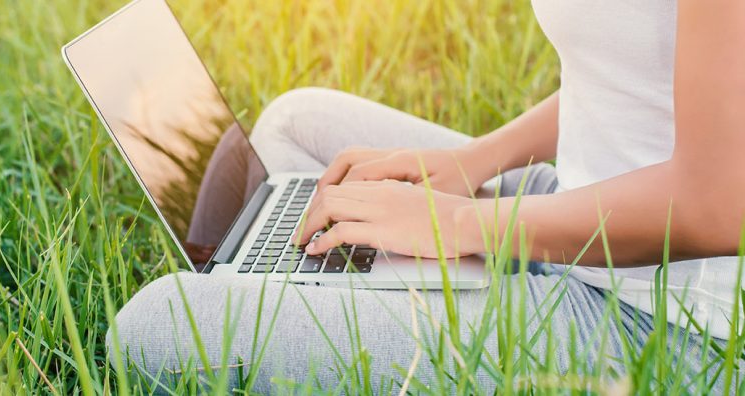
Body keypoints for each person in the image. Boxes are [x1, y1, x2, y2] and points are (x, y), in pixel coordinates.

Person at [109, 0, 745, 392]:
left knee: (158, 324)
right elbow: (640, 74)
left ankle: (270, 299)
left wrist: (460, 223)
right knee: (297, 123)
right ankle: (291, 281)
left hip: (671, 325)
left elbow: (716, 206)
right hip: (582, 200)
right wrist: (475, 159)